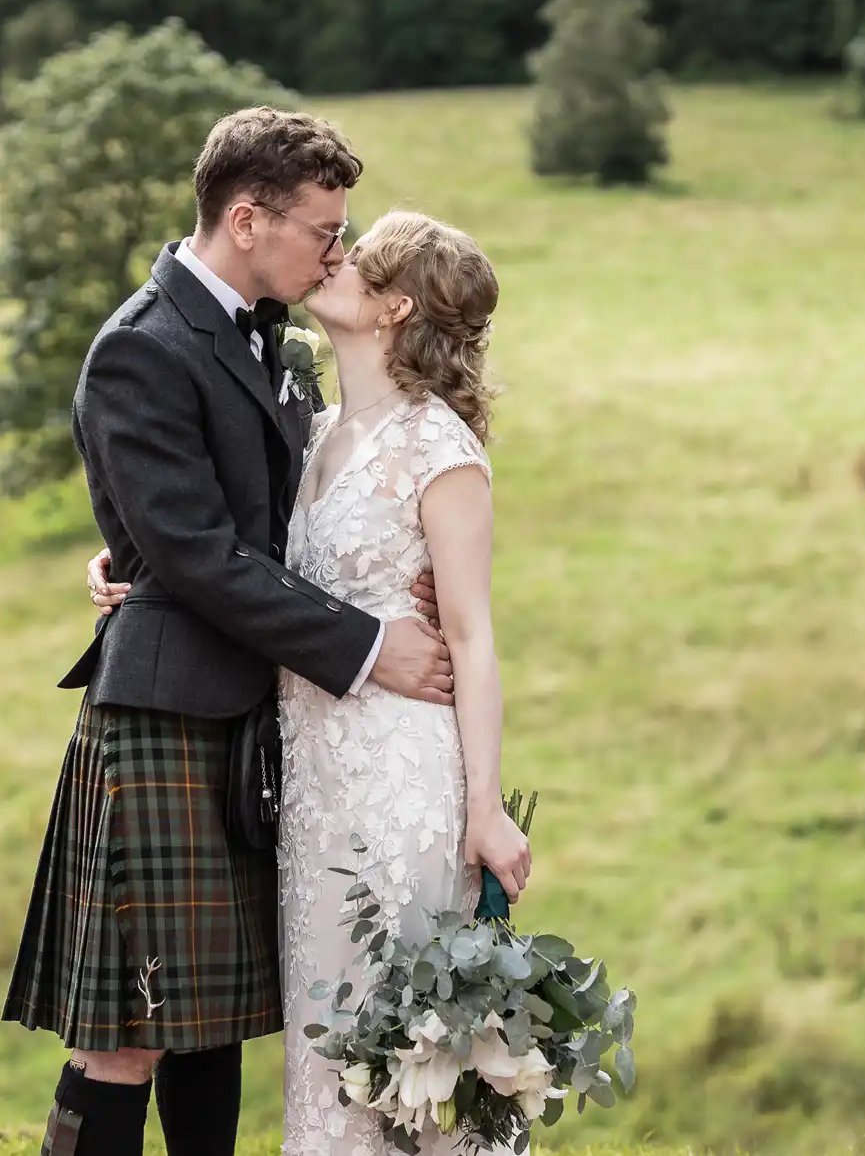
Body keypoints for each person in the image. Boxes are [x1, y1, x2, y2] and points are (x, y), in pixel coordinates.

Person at [2, 107, 456, 1156]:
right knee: (130, 1035)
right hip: (165, 714)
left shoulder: (277, 345)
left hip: (250, 713)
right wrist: (363, 643)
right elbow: (202, 553)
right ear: (245, 218)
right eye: (321, 230)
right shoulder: (140, 349)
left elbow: (253, 524)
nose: (334, 250)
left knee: (207, 1031)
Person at [86, 208, 533, 1154]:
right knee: (328, 1052)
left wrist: (486, 809)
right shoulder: (309, 426)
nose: (332, 257)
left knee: (401, 1049)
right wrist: (127, 557)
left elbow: (474, 638)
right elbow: (225, 543)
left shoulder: (439, 448)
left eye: (354, 255)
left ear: (394, 304)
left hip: (401, 777)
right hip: (308, 781)